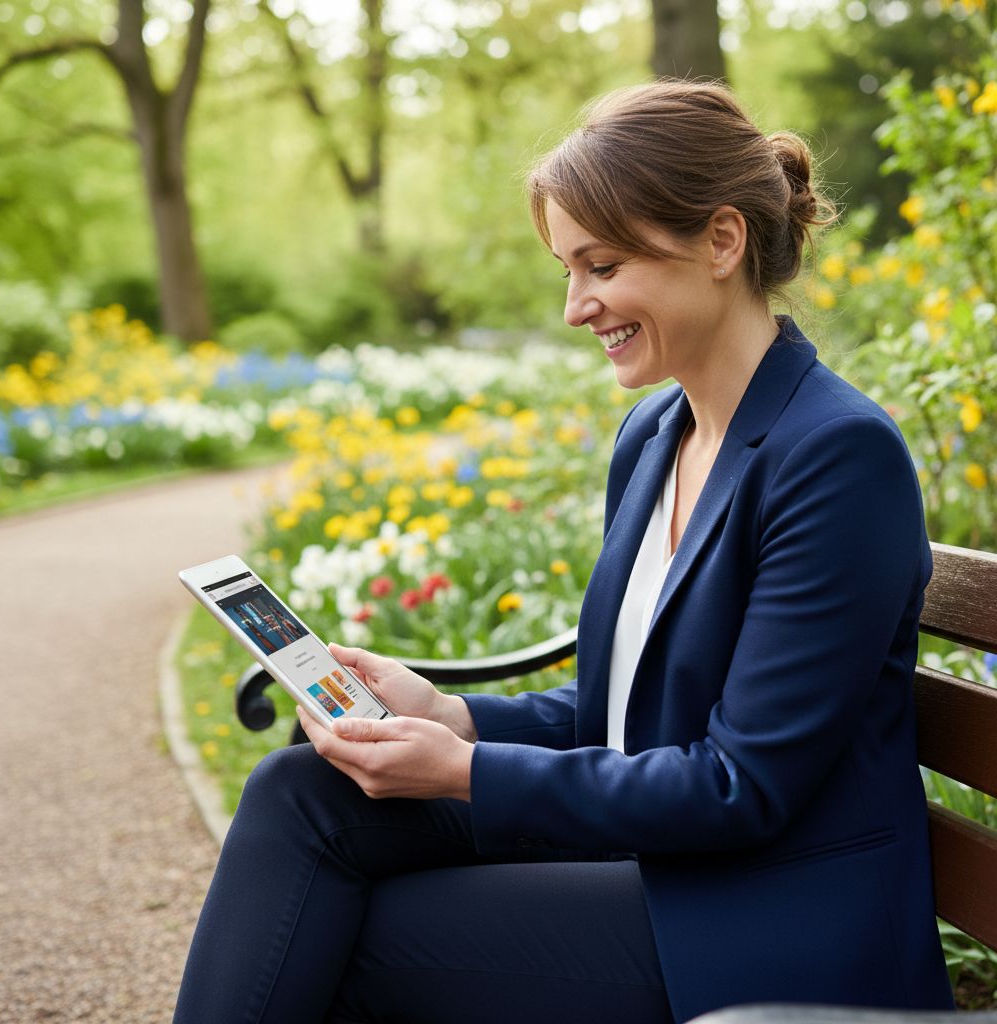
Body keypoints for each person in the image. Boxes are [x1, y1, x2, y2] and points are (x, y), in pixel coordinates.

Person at [173, 80, 954, 1024]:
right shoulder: (655, 433)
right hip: (667, 864)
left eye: (603, 265)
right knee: (301, 793)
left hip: (765, 916)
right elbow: (625, 710)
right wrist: (454, 717)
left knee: (343, 931)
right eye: (568, 270)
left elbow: (738, 785)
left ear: (721, 241)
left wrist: (460, 771)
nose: (578, 305)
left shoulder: (837, 456)